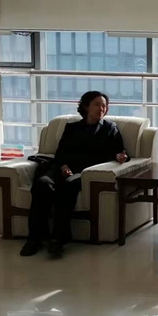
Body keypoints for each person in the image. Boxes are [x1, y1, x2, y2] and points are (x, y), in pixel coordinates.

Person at [20, 91, 128, 258]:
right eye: (97, 104)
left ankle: (58, 239)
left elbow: (120, 152)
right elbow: (60, 153)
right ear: (86, 106)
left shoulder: (109, 128)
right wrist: (63, 166)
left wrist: (121, 157)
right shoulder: (72, 128)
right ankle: (34, 238)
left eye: (104, 106)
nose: (102, 108)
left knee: (68, 185)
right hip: (62, 168)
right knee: (42, 184)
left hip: (85, 173)